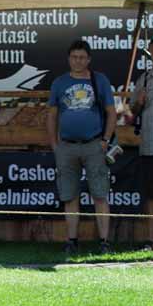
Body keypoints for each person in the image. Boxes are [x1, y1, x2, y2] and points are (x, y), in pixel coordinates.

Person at [46, 39, 116, 255]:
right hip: (66, 147)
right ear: (69, 59)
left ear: (89, 59)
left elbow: (112, 112)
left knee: (100, 194)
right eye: (74, 57)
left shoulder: (99, 80)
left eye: (82, 57)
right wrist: (54, 145)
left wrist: (105, 140)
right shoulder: (59, 83)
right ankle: (72, 241)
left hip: (94, 144)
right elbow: (52, 116)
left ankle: (104, 241)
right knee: (69, 196)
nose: (78, 61)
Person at [130, 40, 153, 250]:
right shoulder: (144, 79)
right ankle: (151, 239)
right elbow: (131, 113)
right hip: (149, 146)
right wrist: (139, 102)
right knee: (151, 196)